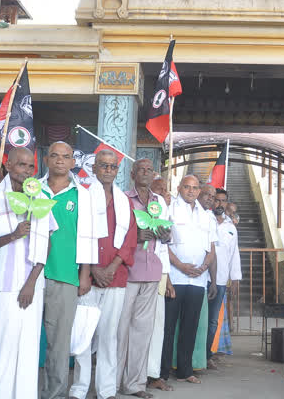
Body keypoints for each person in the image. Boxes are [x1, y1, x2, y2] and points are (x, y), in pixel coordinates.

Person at [0, 148, 57, 399]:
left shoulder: (42, 197)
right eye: (21, 165)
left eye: (30, 166)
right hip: (2, 282)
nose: (26, 170)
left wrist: (32, 282)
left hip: (32, 284)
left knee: (27, 346)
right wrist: (12, 235)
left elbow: (48, 242)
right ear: (8, 165)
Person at [70, 149, 138, 399]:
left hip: (115, 277)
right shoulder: (83, 196)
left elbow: (131, 239)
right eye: (103, 166)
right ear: (94, 168)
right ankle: (79, 388)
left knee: (109, 336)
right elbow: (76, 233)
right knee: (84, 334)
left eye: (112, 167)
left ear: (117, 170)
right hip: (88, 276)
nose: (108, 170)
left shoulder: (124, 201)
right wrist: (92, 269)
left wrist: (110, 268)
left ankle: (106, 390)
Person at [39, 141, 97, 399]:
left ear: (73, 162)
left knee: (59, 343)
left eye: (66, 157)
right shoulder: (34, 189)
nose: (60, 161)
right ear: (46, 160)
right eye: (55, 156)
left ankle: (55, 393)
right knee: (25, 338)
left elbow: (88, 236)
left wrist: (84, 274)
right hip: (30, 274)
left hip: (65, 275)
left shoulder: (81, 195)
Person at [119, 159, 172, 398]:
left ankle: (135, 385)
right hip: (127, 271)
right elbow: (114, 233)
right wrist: (136, 235)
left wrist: (166, 233)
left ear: (154, 175)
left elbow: (169, 234)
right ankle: (112, 383)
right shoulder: (123, 199)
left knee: (142, 332)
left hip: (152, 272)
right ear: (132, 174)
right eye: (141, 169)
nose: (145, 173)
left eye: (150, 170)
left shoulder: (159, 201)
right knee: (120, 331)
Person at [162, 175, 216, 384]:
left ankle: (185, 370)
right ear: (179, 188)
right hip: (175, 277)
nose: (191, 191)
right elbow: (163, 244)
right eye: (187, 187)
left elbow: (211, 248)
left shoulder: (206, 216)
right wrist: (180, 265)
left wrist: (204, 267)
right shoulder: (170, 209)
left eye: (195, 188)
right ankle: (162, 372)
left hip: (197, 280)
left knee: (190, 326)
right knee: (168, 327)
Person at [207, 188, 241, 368]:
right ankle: (193, 357)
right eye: (217, 200)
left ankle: (206, 356)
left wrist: (235, 278)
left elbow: (234, 253)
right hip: (201, 278)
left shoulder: (230, 227)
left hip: (220, 279)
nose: (219, 204)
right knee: (199, 319)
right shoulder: (205, 219)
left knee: (213, 320)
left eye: (223, 201)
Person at [147, 175, 175, 392]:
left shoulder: (162, 206)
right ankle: (132, 373)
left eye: (164, 188)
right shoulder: (130, 201)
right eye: (158, 187)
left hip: (159, 272)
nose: (162, 192)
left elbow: (166, 242)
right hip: (133, 271)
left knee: (157, 325)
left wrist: (168, 278)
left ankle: (153, 374)